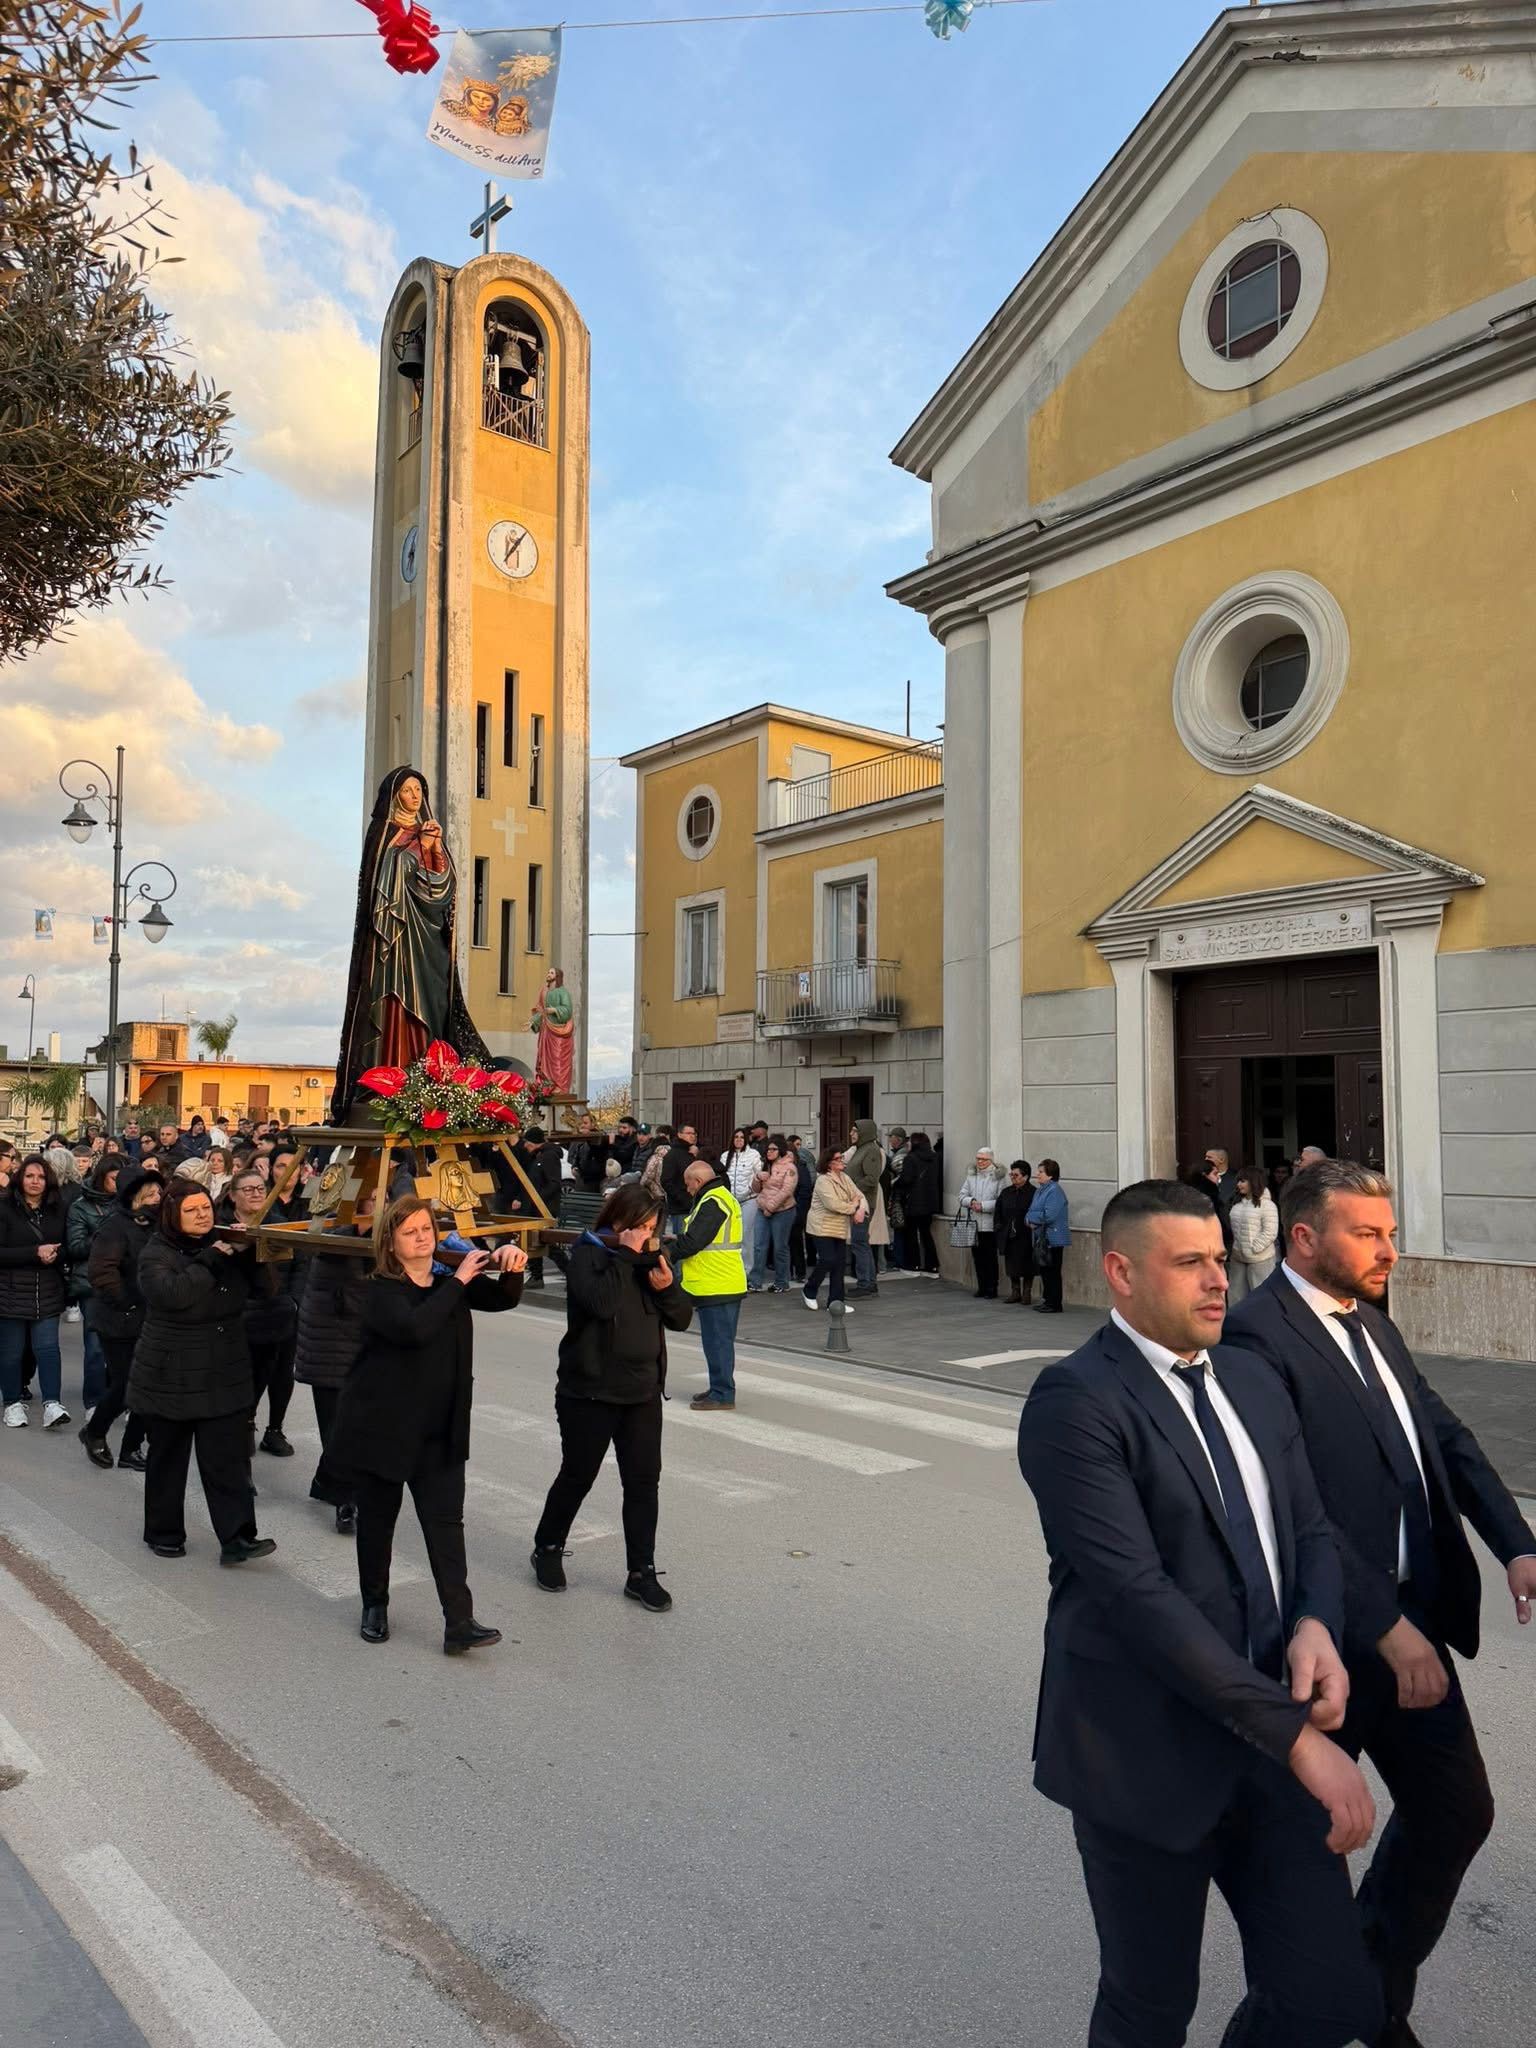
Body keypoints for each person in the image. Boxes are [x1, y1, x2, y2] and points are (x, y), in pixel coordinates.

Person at [1017, 1178, 1382, 2048]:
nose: (1220, 1279)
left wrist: (1317, 1625)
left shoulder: (1251, 1379)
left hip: (1267, 1742)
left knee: (1331, 2001)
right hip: (1144, 1757)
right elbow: (1139, 1599)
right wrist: (1302, 1743)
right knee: (1148, 2009)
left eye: (1220, 1259)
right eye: (1191, 1263)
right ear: (1122, 1273)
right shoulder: (1075, 1402)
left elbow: (1310, 1528)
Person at [1225, 1159, 1536, 2046]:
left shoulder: (1369, 1318)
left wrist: (1515, 1541)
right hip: (1321, 1644)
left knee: (1455, 1811)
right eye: (1367, 1234)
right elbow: (1291, 1512)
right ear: (1303, 1238)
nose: (1389, 1250)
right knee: (1305, 1857)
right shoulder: (1255, 1339)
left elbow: (1441, 1433)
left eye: (1390, 1233)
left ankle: (1369, 1993)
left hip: (1414, 1625)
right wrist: (1385, 1627)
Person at [328, 1196, 525, 1652]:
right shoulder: (379, 1290)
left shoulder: (446, 1280)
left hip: (440, 1429)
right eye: (410, 1231)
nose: (422, 1237)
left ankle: (459, 1621)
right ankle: (374, 1605)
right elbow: (415, 1329)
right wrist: (457, 1280)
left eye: (426, 1229)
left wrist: (511, 1265)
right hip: (384, 1430)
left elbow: (501, 1299)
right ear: (390, 1243)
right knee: (378, 1524)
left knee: (446, 1525)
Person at [531, 1183, 692, 1611]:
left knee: (642, 1483)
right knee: (578, 1475)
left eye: (652, 1228)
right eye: (639, 1226)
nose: (646, 1235)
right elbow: (601, 1305)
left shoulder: (652, 1258)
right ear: (618, 1220)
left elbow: (680, 1319)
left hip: (642, 1393)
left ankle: (641, 1572)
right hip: (590, 1393)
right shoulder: (590, 1253)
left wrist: (666, 1288)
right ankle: (548, 1546)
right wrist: (624, 1256)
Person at [332, 766, 493, 1122]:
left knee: (431, 1006)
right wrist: (414, 847)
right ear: (395, 796)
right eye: (407, 790)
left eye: (419, 789)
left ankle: (427, 1080)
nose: (415, 796)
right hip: (393, 940)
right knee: (394, 1005)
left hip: (427, 941)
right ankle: (388, 1080)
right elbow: (381, 886)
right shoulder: (384, 835)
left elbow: (443, 889)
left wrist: (434, 851)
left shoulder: (429, 834)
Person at [128, 1181, 276, 1565]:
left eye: (206, 1208)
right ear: (172, 1215)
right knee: (168, 1458)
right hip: (171, 1371)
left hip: (223, 1367)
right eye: (191, 1210)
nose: (202, 1216)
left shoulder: (225, 1243)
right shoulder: (156, 1252)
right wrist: (211, 1259)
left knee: (228, 1460)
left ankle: (237, 1537)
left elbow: (265, 1292)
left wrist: (252, 1254)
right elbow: (174, 1296)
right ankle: (164, 1532)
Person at [294, 1196, 375, 1534]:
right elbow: (356, 1297)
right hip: (330, 1349)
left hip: (363, 1350)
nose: (381, 1207)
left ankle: (325, 1482)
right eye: (373, 1201)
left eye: (384, 1200)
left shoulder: (385, 1240)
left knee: (356, 1427)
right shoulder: (333, 1241)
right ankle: (347, 1501)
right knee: (338, 1429)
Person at [78, 1166, 160, 1470]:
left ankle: (131, 1448)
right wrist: (127, 1302)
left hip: (151, 1317)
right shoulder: (114, 1226)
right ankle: (95, 1431)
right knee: (127, 1385)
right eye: (150, 1193)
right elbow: (102, 1272)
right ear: (133, 1196)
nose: (157, 1197)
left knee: (145, 1385)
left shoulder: (157, 1224)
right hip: (118, 1320)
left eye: (158, 1192)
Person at [0, 1155, 72, 1429]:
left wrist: (56, 1254)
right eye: (29, 1176)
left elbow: (68, 1247)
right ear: (20, 1178)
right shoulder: (5, 1208)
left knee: (48, 1349)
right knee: (11, 1352)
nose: (35, 1181)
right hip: (10, 1291)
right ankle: (12, 1403)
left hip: (48, 1289)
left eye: (41, 1177)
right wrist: (35, 1253)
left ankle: (52, 1403)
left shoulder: (58, 1208)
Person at [675, 1156, 746, 1411]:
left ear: (697, 1180)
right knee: (718, 1341)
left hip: (717, 1283)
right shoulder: (719, 1196)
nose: (687, 1190)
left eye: (688, 1184)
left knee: (718, 1342)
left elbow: (694, 1242)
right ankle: (719, 1386)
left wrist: (665, 1252)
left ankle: (723, 1393)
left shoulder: (713, 1201)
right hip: (720, 1281)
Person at [67, 1152, 123, 1409]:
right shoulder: (81, 1206)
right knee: (96, 1346)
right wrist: (105, 1232)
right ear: (102, 1178)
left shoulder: (130, 1204)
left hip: (125, 1281)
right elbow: (76, 1247)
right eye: (114, 1179)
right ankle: (94, 1402)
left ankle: (120, 1398)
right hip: (93, 1284)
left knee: (125, 1344)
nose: (119, 1184)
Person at [802, 1146, 864, 1315]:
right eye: (838, 1159)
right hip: (822, 1226)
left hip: (839, 1227)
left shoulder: (845, 1177)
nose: (842, 1161)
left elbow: (858, 1195)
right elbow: (833, 1204)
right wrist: (853, 1207)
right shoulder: (823, 1180)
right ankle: (809, 1289)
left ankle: (836, 1302)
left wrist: (860, 1208)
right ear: (829, 1163)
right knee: (828, 1259)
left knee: (839, 1265)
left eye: (841, 1158)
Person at [747, 1136, 798, 1292]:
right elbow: (756, 1190)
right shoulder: (766, 1165)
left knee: (780, 1247)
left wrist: (770, 1207)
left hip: (783, 1211)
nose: (769, 1152)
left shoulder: (790, 1167)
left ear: (780, 1150)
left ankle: (782, 1282)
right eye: (768, 1149)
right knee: (759, 1246)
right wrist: (757, 1178)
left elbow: (787, 1191)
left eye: (773, 1149)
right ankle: (755, 1282)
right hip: (763, 1210)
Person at [958, 1147, 1006, 1299]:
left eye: (983, 1159)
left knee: (990, 1258)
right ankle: (982, 1287)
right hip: (974, 1224)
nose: (980, 1161)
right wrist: (971, 1201)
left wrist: (983, 1206)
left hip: (990, 1225)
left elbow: (1001, 1200)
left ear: (990, 1160)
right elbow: (961, 1195)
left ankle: (992, 1288)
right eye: (978, 1158)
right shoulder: (972, 1175)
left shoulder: (998, 1177)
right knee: (977, 1257)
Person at [1226, 1165, 1279, 1304]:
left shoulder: (1267, 1205)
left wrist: (1253, 1248)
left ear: (1253, 1181)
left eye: (1243, 1181)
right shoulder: (1237, 1203)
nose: (1239, 1184)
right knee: (1236, 1298)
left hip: (1260, 1258)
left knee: (1261, 1299)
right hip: (1238, 1257)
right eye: (1238, 1181)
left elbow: (1270, 1232)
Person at [844, 1118, 884, 1298]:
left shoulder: (871, 1150)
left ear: (864, 1132)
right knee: (862, 1244)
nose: (851, 1134)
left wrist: (851, 1189)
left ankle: (865, 1285)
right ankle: (870, 1283)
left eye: (855, 1131)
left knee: (859, 1244)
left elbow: (871, 1179)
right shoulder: (861, 1149)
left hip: (862, 1204)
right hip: (857, 1202)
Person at [1027, 1158, 1071, 1314]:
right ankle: (1047, 1300)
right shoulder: (1040, 1190)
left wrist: (1032, 1219)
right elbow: (1030, 1210)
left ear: (1050, 1175)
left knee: (1052, 1271)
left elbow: (1049, 1215)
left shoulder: (1055, 1191)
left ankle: (1055, 1303)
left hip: (1053, 1238)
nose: (1037, 1174)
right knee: (1044, 1270)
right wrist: (1028, 1219)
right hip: (1042, 1237)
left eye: (1041, 1172)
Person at [894, 1132, 940, 1275]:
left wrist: (896, 1183)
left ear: (915, 1143)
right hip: (930, 1203)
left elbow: (906, 1179)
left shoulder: (910, 1158)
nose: (908, 1144)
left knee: (911, 1234)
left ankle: (913, 1265)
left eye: (910, 1141)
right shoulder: (935, 1157)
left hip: (913, 1203)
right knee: (926, 1234)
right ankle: (932, 1266)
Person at [719, 1127, 762, 1279]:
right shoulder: (725, 1156)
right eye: (736, 1137)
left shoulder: (753, 1154)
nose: (738, 1140)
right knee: (730, 1235)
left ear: (746, 1140)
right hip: (730, 1201)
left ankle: (747, 1270)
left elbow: (759, 1174)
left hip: (749, 1199)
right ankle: (732, 1267)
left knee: (746, 1235)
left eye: (742, 1137)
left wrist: (751, 1188)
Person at [994, 1159, 1036, 1305]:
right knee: (1011, 1264)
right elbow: (998, 1211)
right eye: (1011, 1175)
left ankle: (1027, 1292)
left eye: (1016, 1175)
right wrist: (999, 1227)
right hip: (1009, 1234)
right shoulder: (1006, 1192)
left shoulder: (1033, 1193)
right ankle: (1015, 1291)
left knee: (1028, 1264)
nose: (1012, 1177)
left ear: (1025, 1176)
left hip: (1026, 1234)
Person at [530, 967, 576, 1093]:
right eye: (548, 972)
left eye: (552, 973)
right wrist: (533, 1021)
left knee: (557, 1059)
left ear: (557, 976)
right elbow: (540, 1010)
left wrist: (555, 1010)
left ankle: (559, 1086)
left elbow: (568, 1010)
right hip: (546, 1031)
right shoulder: (544, 991)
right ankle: (547, 1084)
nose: (549, 974)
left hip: (559, 1032)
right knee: (545, 1058)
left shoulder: (563, 992)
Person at [660, 1122, 699, 1235]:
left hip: (696, 1205)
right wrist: (683, 1199)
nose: (692, 1136)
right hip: (681, 1208)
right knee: (682, 1239)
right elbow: (666, 1181)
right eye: (688, 1133)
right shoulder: (672, 1155)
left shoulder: (694, 1152)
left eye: (694, 1134)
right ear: (679, 1134)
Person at [786, 1134, 814, 1284]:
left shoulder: (800, 1167)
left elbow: (805, 1190)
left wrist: (798, 1209)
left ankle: (800, 1272)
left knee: (796, 1241)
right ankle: (788, 1271)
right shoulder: (780, 1168)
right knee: (786, 1243)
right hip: (784, 1210)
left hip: (797, 1209)